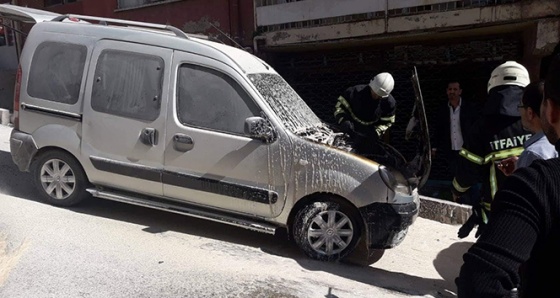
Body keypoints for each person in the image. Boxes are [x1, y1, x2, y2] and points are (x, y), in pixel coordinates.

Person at [455, 54, 560, 298]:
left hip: (503, 216)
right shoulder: (540, 141)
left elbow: (478, 283)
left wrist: (457, 191)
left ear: (547, 112)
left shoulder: (537, 182)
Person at [452, 61, 532, 239]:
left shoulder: (482, 126)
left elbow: (467, 170)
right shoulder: (539, 120)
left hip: (498, 215)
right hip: (537, 211)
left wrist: (457, 190)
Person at [431, 80, 479, 203]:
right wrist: (434, 147)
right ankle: (457, 200)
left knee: (468, 172)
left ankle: (473, 199)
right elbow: (439, 129)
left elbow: (475, 127)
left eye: (455, 89)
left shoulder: (469, 108)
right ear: (447, 91)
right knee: (454, 174)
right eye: (450, 89)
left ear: (460, 91)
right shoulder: (443, 109)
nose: (452, 92)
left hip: (466, 148)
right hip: (451, 149)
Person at [498, 80, 558, 175]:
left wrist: (524, 166)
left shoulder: (532, 154)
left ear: (530, 113)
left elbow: (526, 189)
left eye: (520, 106)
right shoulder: (554, 144)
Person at [334, 72, 396, 156]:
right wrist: (343, 120)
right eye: (374, 93)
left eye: (379, 96)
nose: (376, 97)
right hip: (348, 128)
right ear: (371, 86)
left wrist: (375, 133)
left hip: (368, 134)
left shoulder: (389, 104)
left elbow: (387, 122)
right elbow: (339, 107)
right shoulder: (354, 92)